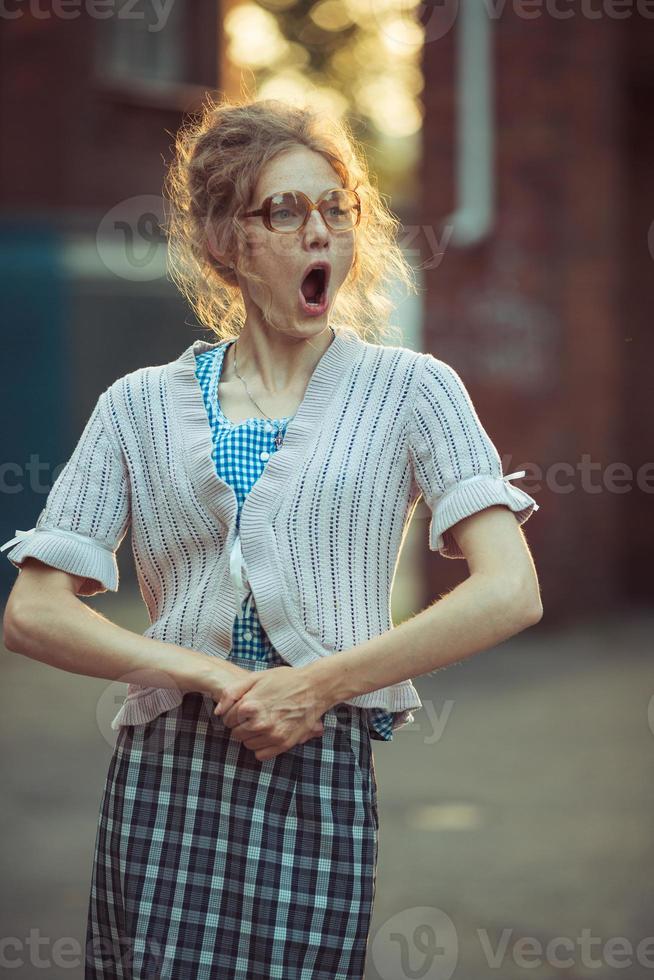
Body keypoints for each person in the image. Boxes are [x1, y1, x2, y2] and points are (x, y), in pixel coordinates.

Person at [1, 96, 542, 979]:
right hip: (165, 775)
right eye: (285, 210)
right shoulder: (137, 405)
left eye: (337, 208)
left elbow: (509, 589)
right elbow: (31, 613)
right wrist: (205, 673)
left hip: (315, 765)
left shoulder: (412, 390)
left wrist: (318, 686)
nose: (319, 230)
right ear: (226, 241)